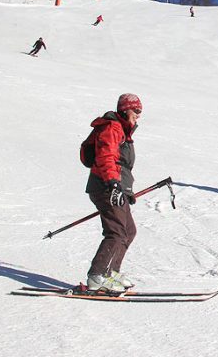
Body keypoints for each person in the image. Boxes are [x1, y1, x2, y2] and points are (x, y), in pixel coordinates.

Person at [84, 93, 143, 292]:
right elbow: (106, 156)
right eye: (136, 111)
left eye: (140, 111)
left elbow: (122, 165)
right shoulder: (112, 127)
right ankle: (97, 275)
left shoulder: (122, 131)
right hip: (105, 186)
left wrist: (126, 190)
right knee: (116, 232)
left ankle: (111, 272)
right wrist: (113, 183)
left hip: (115, 187)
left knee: (129, 231)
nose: (138, 115)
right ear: (125, 109)